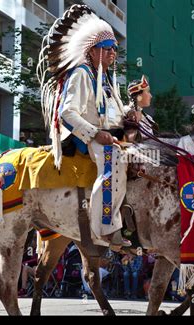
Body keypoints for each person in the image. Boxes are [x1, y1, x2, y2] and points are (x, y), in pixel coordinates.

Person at [42, 5, 131, 248]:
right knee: (115, 161)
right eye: (108, 49)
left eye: (114, 49)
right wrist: (95, 134)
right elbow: (67, 113)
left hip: (110, 135)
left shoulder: (104, 77)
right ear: (92, 51)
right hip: (87, 138)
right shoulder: (81, 73)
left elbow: (113, 114)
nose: (113, 53)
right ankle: (105, 227)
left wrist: (130, 116)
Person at [126, 76, 158, 141]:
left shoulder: (148, 118)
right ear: (139, 97)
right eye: (148, 92)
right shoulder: (125, 112)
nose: (151, 96)